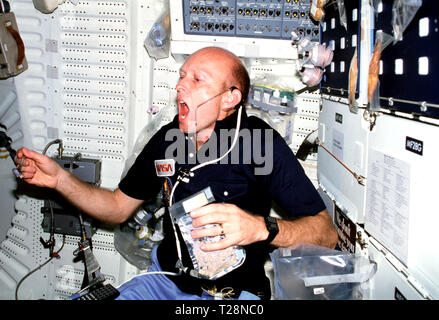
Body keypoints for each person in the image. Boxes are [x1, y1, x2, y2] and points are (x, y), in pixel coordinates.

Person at [14, 46, 338, 300]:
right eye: (182, 76)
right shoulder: (169, 140)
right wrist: (60, 180)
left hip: (235, 293)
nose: (180, 85)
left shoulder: (259, 143)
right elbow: (116, 207)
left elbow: (326, 234)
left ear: (230, 98)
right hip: (164, 283)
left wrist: (261, 228)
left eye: (198, 79)